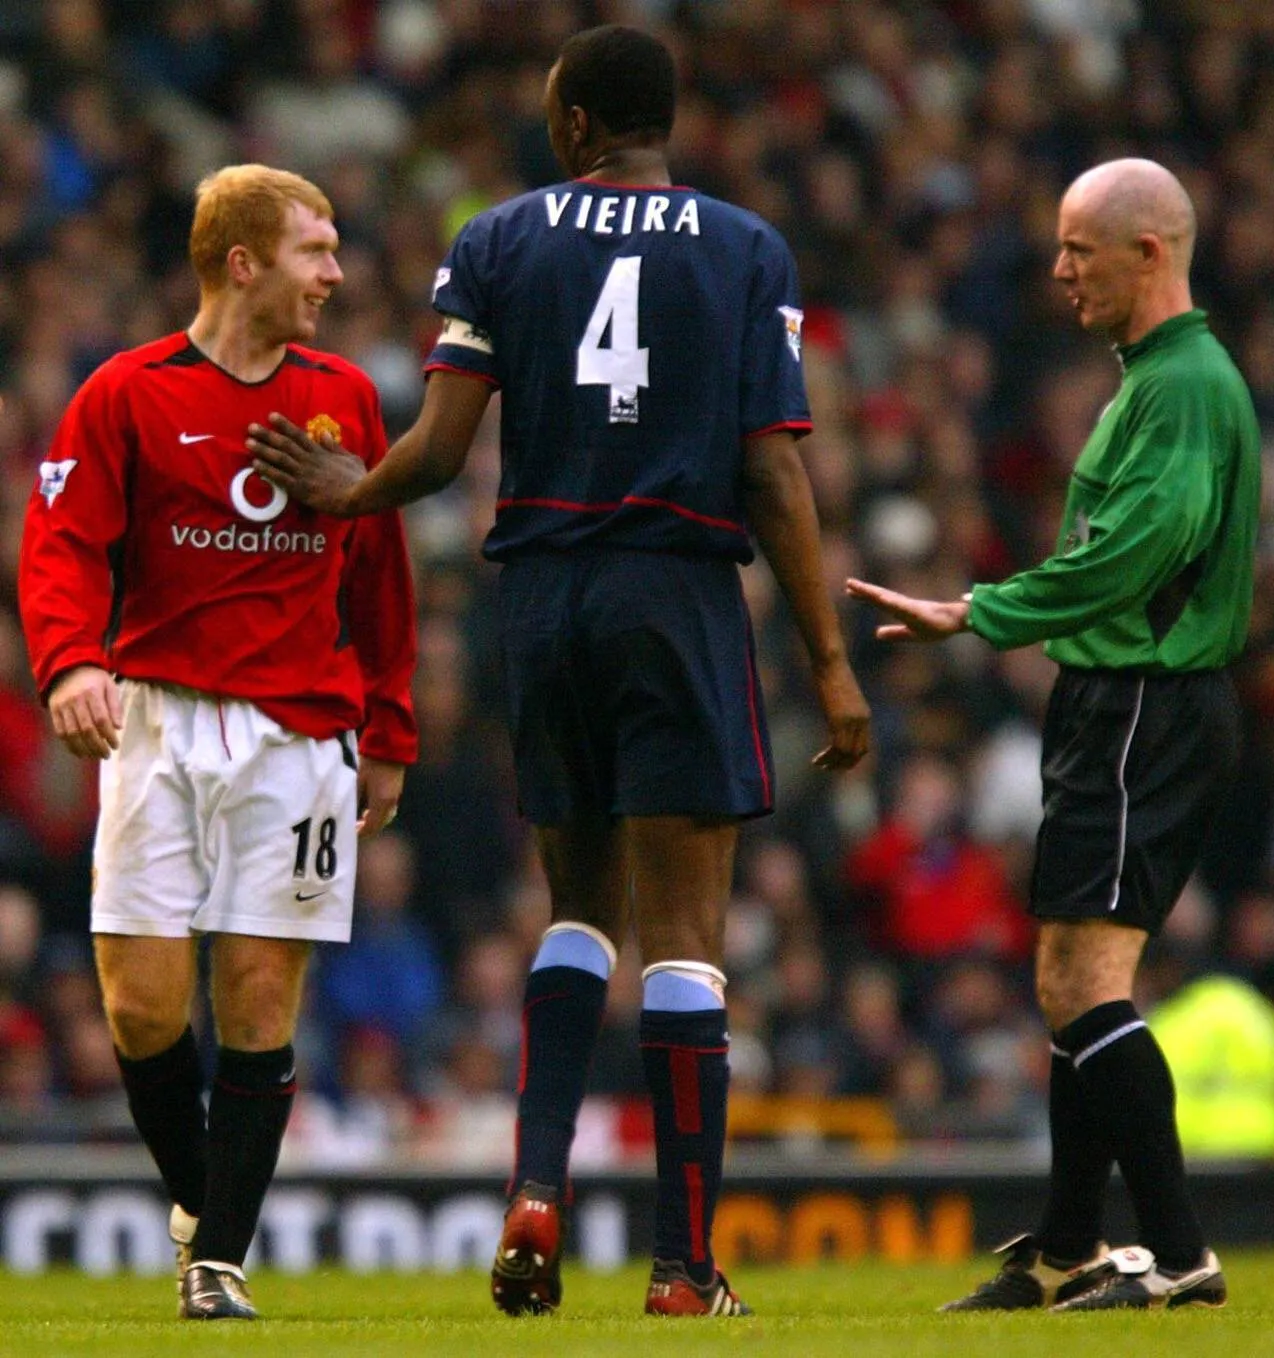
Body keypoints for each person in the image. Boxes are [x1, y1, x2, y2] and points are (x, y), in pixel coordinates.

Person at [248, 23, 869, 1319]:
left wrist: (346, 489)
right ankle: (681, 1265)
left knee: (576, 910)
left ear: (579, 122)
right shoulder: (749, 249)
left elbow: (438, 445)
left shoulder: (499, 239)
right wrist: (827, 658)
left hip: (539, 598)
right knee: (686, 934)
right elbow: (771, 468)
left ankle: (534, 1183)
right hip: (675, 590)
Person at [848, 158, 1260, 1312]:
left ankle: (1180, 1254)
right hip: (1117, 702)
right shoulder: (1155, 378)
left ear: (1150, 252)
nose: (1060, 269)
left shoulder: (1182, 384)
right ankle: (1073, 1244)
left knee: (1087, 978)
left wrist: (981, 610)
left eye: (1081, 248)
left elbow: (1142, 549)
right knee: (1067, 977)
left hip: (1146, 701)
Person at [18, 164, 418, 1320]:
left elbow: (383, 578)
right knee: (143, 1008)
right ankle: (205, 1197)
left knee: (256, 997)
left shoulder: (345, 394)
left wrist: (387, 728)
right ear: (242, 262)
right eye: (315, 251)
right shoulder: (127, 392)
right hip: (157, 720)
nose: (337, 274)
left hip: (300, 737)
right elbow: (61, 545)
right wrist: (72, 659)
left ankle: (216, 1261)